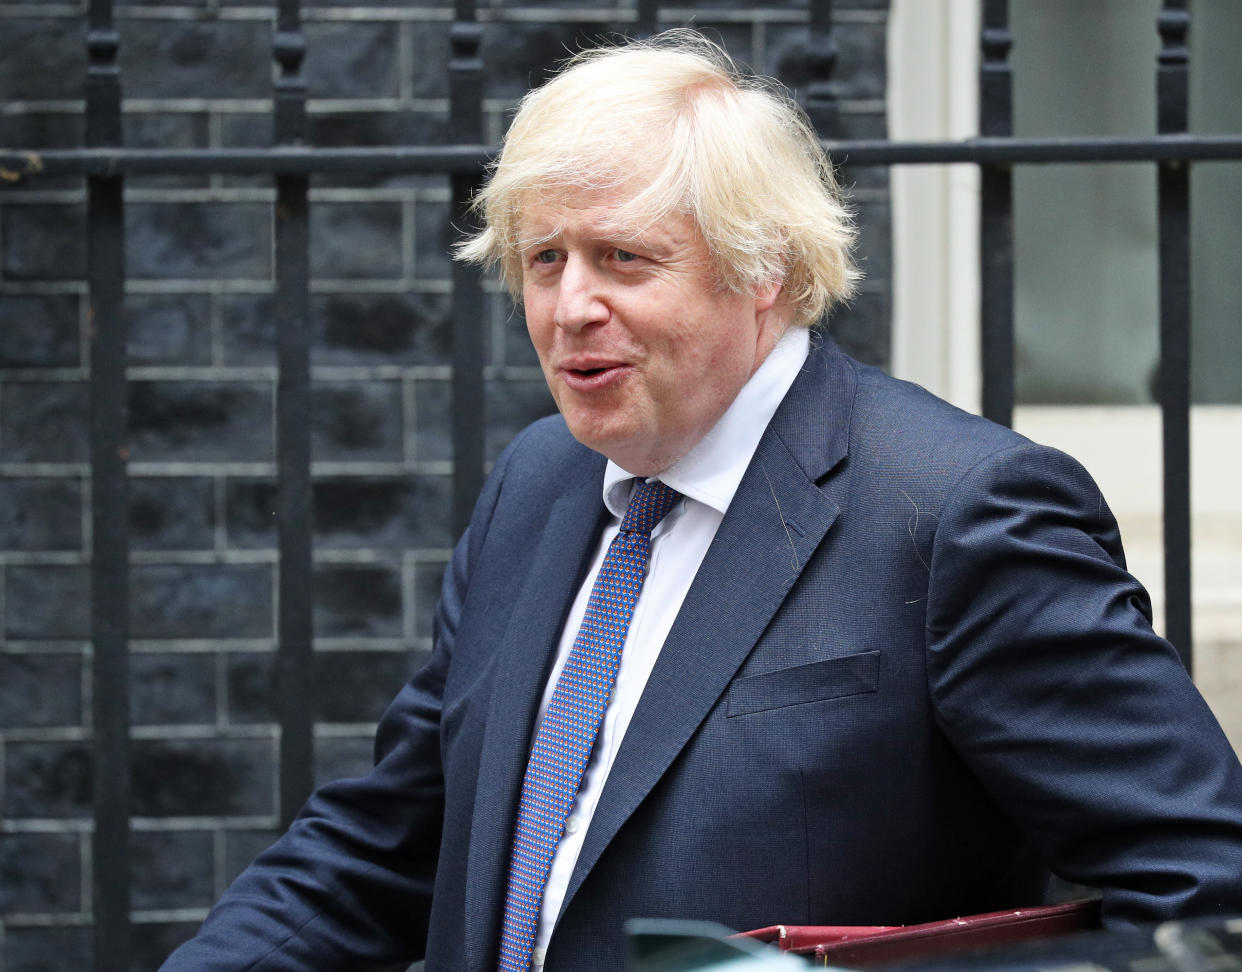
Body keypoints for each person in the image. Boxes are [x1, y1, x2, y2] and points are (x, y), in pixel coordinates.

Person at [163, 30, 1242, 972]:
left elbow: (1202, 891)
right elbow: (391, 842)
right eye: (544, 259)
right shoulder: (538, 485)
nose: (570, 306)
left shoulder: (959, 512)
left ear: (761, 267)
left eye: (623, 258)